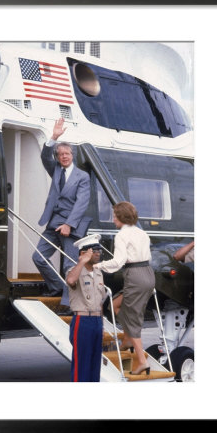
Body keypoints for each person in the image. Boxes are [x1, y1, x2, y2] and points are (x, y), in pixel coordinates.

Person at [32, 118, 91, 307]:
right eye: (61, 154)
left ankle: (68, 302)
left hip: (70, 226)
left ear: (72, 155)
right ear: (58, 157)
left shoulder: (82, 176)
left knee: (69, 265)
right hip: (53, 222)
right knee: (38, 257)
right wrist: (54, 137)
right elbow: (44, 157)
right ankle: (56, 286)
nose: (64, 157)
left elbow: (82, 203)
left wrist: (69, 224)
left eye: (67, 153)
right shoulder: (56, 169)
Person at [93, 201, 155, 376]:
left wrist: (98, 266)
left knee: (132, 317)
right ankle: (128, 339)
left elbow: (118, 262)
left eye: (114, 216)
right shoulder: (142, 233)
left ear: (121, 217)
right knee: (114, 305)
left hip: (135, 275)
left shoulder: (121, 235)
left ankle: (142, 361)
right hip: (148, 274)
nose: (113, 220)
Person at [66, 234, 106, 382]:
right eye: (94, 250)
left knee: (95, 365)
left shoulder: (98, 273)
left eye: (99, 250)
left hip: (96, 321)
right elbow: (71, 280)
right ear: (83, 253)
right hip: (82, 321)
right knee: (82, 364)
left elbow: (100, 300)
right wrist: (82, 262)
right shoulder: (74, 270)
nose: (98, 253)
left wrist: (101, 324)